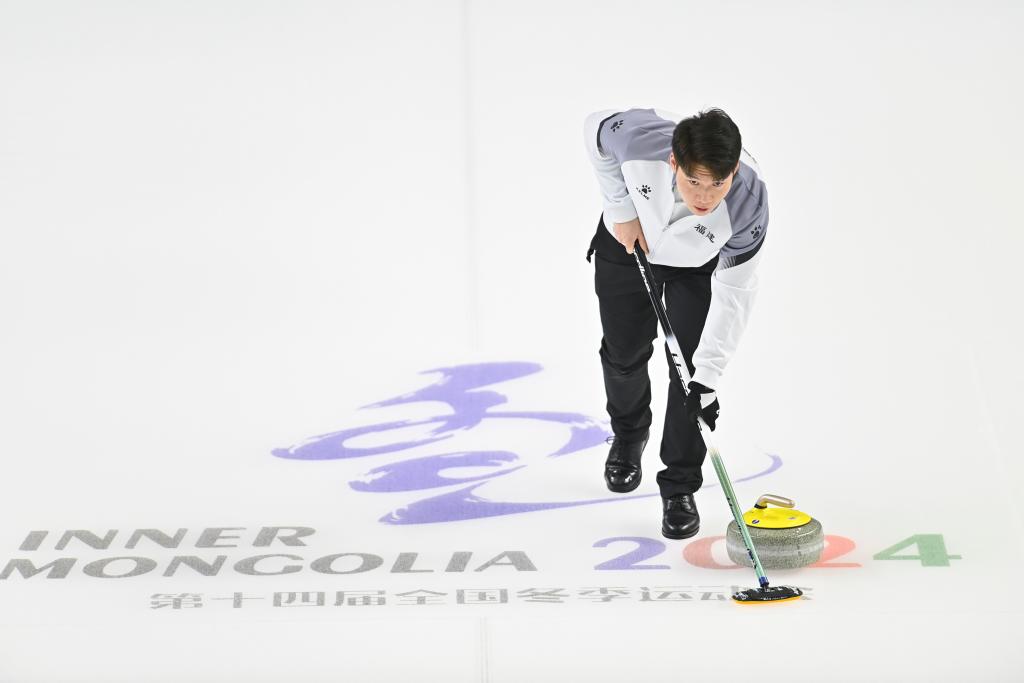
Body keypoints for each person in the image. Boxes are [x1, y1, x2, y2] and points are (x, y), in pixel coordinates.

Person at [582, 107, 768, 539]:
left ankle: (679, 486)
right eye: (694, 181)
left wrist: (709, 377)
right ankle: (629, 435)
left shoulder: (748, 204)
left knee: (690, 377)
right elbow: (594, 129)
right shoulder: (638, 140)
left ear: (733, 171)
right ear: (673, 163)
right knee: (624, 353)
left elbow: (736, 294)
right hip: (628, 242)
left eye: (718, 183)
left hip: (695, 265)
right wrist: (620, 208)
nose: (705, 196)